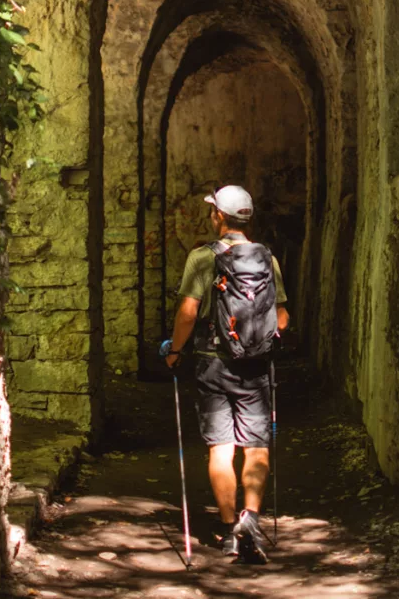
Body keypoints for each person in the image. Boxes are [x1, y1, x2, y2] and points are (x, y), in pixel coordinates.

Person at [164, 185, 290, 563]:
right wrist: (259, 341)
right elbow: (283, 317)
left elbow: (188, 313)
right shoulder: (267, 259)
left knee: (221, 448)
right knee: (256, 446)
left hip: (212, 362)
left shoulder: (203, 257)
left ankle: (229, 528)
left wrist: (174, 351)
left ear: (219, 216)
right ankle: (251, 519)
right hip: (256, 367)